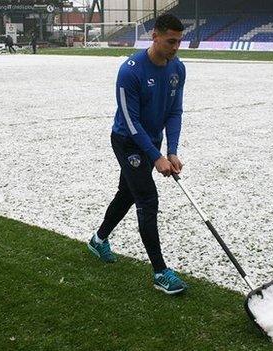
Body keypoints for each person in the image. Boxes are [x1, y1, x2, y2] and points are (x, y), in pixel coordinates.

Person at [87, 14, 187, 295]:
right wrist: (156, 157)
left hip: (152, 142)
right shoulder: (130, 71)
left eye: (179, 42)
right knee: (147, 197)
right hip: (127, 142)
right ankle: (159, 272)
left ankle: (98, 239)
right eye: (170, 41)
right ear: (154, 36)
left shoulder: (177, 68)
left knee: (127, 193)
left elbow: (175, 111)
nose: (175, 47)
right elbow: (131, 123)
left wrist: (172, 150)